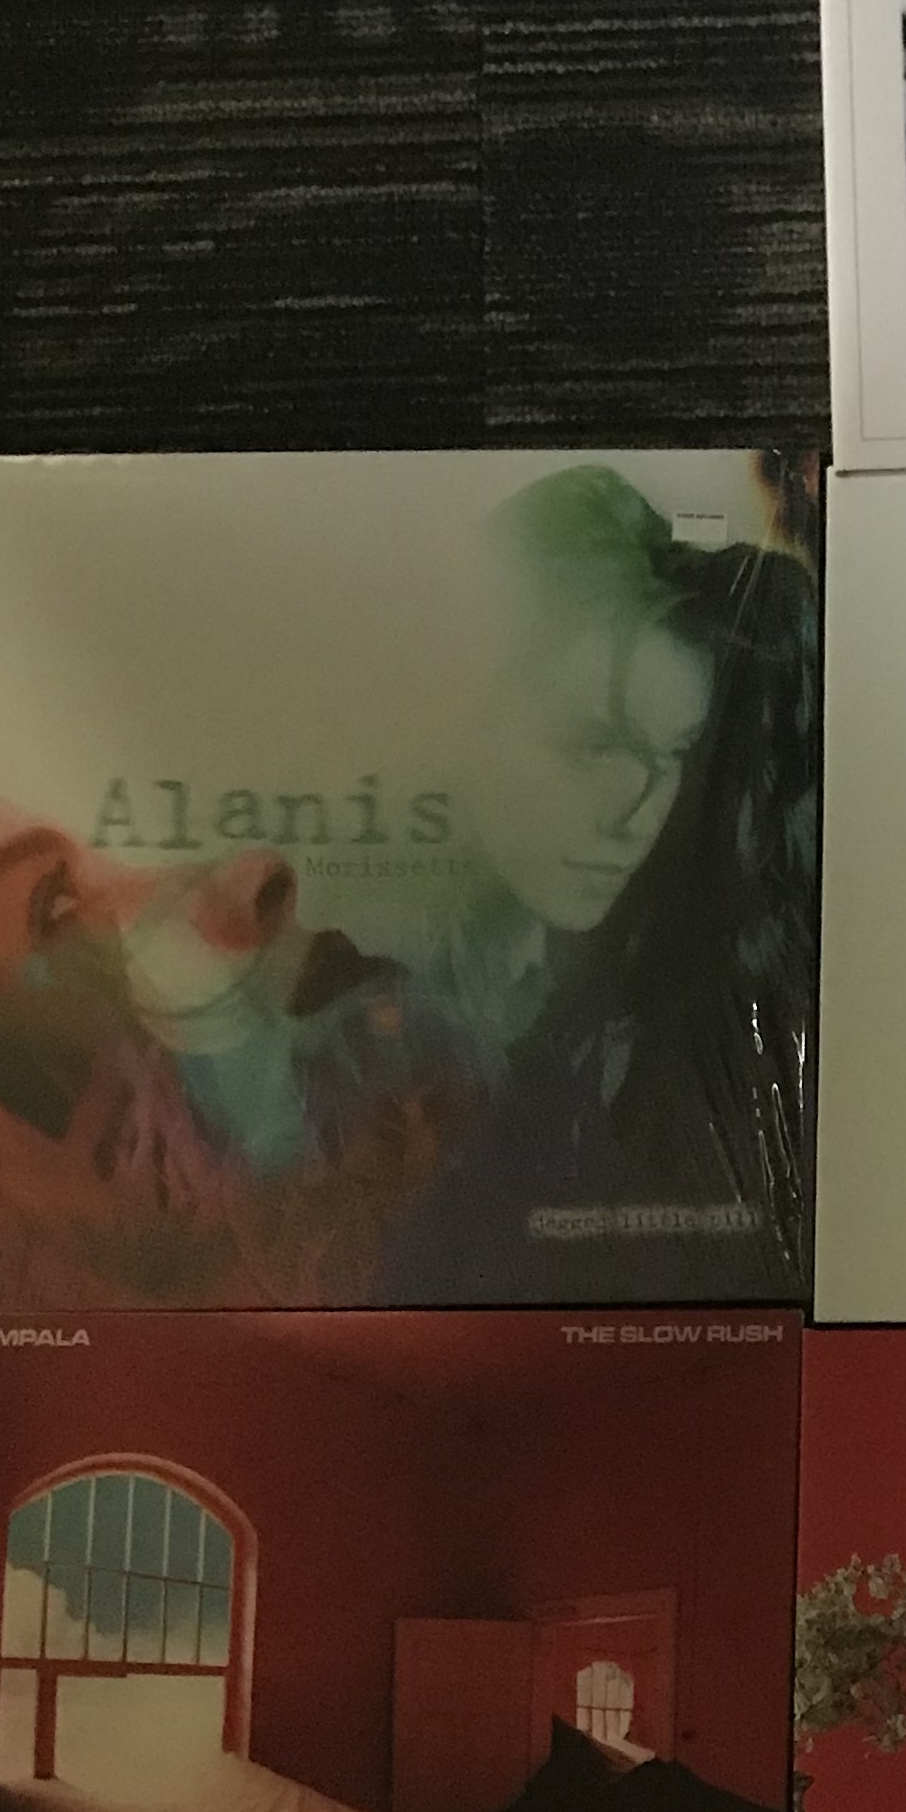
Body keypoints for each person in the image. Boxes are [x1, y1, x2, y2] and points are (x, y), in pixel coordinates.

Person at [378, 462, 821, 1301]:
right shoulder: (356, 958)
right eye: (591, 746)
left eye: (675, 753)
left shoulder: (687, 1006)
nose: (638, 813)